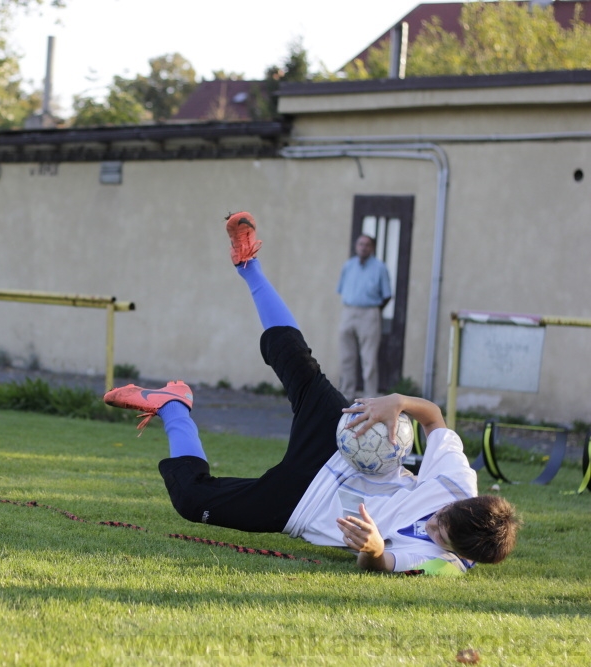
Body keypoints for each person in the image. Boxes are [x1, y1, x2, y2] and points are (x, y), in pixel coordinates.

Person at [103, 212, 519, 575]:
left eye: (440, 535)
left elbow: (381, 564)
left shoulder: (442, 565)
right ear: (464, 501)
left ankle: (173, 405)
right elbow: (433, 419)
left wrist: (373, 549)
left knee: (192, 499)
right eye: (442, 518)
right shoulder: (457, 484)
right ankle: (248, 263)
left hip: (302, 505)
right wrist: (398, 402)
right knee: (295, 358)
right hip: (347, 444)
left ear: (461, 554)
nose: (434, 525)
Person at [336, 234, 391, 399]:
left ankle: (370, 397)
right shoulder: (348, 266)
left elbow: (387, 295)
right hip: (348, 311)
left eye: (367, 245)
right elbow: (341, 290)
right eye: (360, 244)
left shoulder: (380, 267)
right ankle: (346, 394)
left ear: (372, 248)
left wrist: (375, 310)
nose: (363, 247)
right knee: (346, 357)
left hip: (369, 313)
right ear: (356, 246)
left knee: (369, 358)